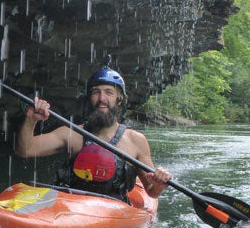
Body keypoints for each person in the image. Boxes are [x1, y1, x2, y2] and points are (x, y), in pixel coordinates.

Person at [15, 67, 172, 203]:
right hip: (71, 208)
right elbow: (25, 150)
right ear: (89, 98)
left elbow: (151, 190)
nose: (101, 99)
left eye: (109, 92)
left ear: (119, 99)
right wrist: (31, 119)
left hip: (114, 213)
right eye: (96, 92)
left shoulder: (136, 141)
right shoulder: (71, 133)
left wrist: (159, 184)